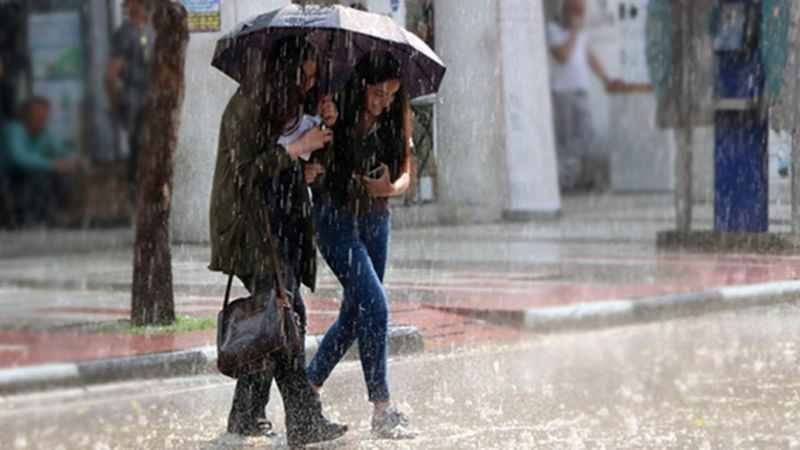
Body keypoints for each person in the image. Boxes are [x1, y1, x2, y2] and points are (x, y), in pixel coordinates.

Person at [208, 36, 345, 448]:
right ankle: (303, 421)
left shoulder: (286, 106)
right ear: (284, 72)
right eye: (304, 76)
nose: (309, 85)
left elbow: (285, 164)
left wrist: (320, 138)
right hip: (252, 231)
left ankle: (246, 417)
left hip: (279, 228)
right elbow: (245, 174)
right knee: (284, 319)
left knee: (277, 319)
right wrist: (296, 149)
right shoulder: (247, 106)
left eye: (313, 77)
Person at [306, 51, 415, 440]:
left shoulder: (397, 113)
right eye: (379, 94)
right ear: (363, 85)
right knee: (376, 305)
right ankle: (382, 408)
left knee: (356, 315)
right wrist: (329, 124)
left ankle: (307, 388)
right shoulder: (335, 106)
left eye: (391, 95)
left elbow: (407, 172)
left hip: (376, 218)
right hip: (334, 218)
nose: (384, 102)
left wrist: (390, 188)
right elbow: (312, 156)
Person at [547, 0, 649, 192]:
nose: (579, 16)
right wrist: (574, 32)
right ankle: (566, 181)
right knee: (567, 138)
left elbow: (589, 57)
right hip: (563, 91)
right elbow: (563, 56)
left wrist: (606, 80)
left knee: (586, 134)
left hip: (581, 90)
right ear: (566, 10)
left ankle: (576, 177)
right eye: (576, 11)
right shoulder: (553, 30)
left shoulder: (581, 33)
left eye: (582, 12)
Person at [0, 97, 84, 226]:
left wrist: (74, 159)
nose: (42, 120)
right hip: (10, 176)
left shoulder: (44, 132)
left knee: (63, 176)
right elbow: (19, 158)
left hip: (30, 174)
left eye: (44, 116)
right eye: (37, 115)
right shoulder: (14, 130)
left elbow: (60, 149)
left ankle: (57, 213)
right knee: (40, 176)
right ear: (25, 115)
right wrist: (53, 165)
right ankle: (28, 217)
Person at [106, 0, 154, 200]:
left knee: (152, 145)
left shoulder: (153, 31)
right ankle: (136, 192)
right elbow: (112, 73)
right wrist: (115, 102)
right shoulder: (125, 33)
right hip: (134, 96)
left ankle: (148, 190)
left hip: (153, 96)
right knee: (139, 145)